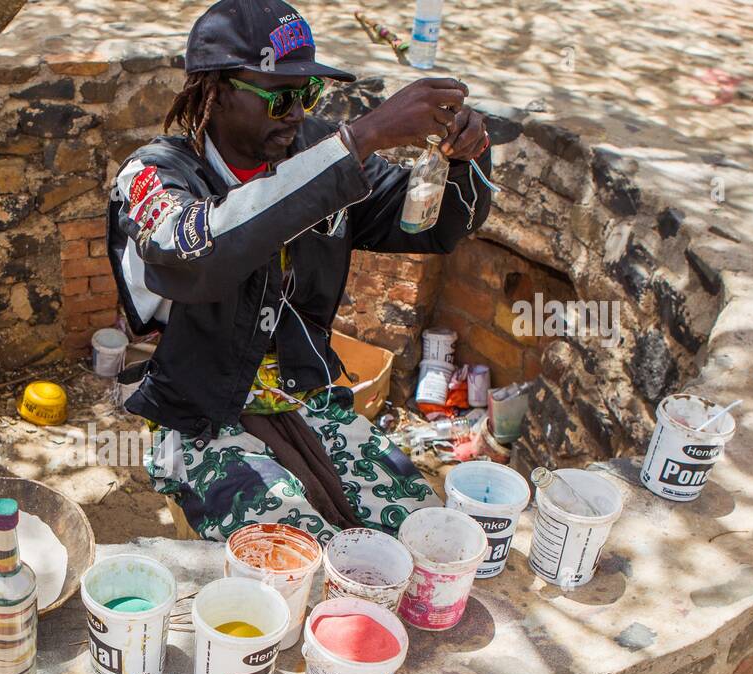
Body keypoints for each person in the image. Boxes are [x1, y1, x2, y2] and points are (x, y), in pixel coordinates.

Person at [106, 0, 493, 542]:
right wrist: (357, 142)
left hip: (305, 396)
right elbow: (200, 254)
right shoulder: (154, 174)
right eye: (280, 96)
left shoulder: (314, 149)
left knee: (424, 530)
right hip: (201, 417)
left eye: (307, 94)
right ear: (214, 91)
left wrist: (463, 158)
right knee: (295, 556)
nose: (295, 113)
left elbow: (429, 226)